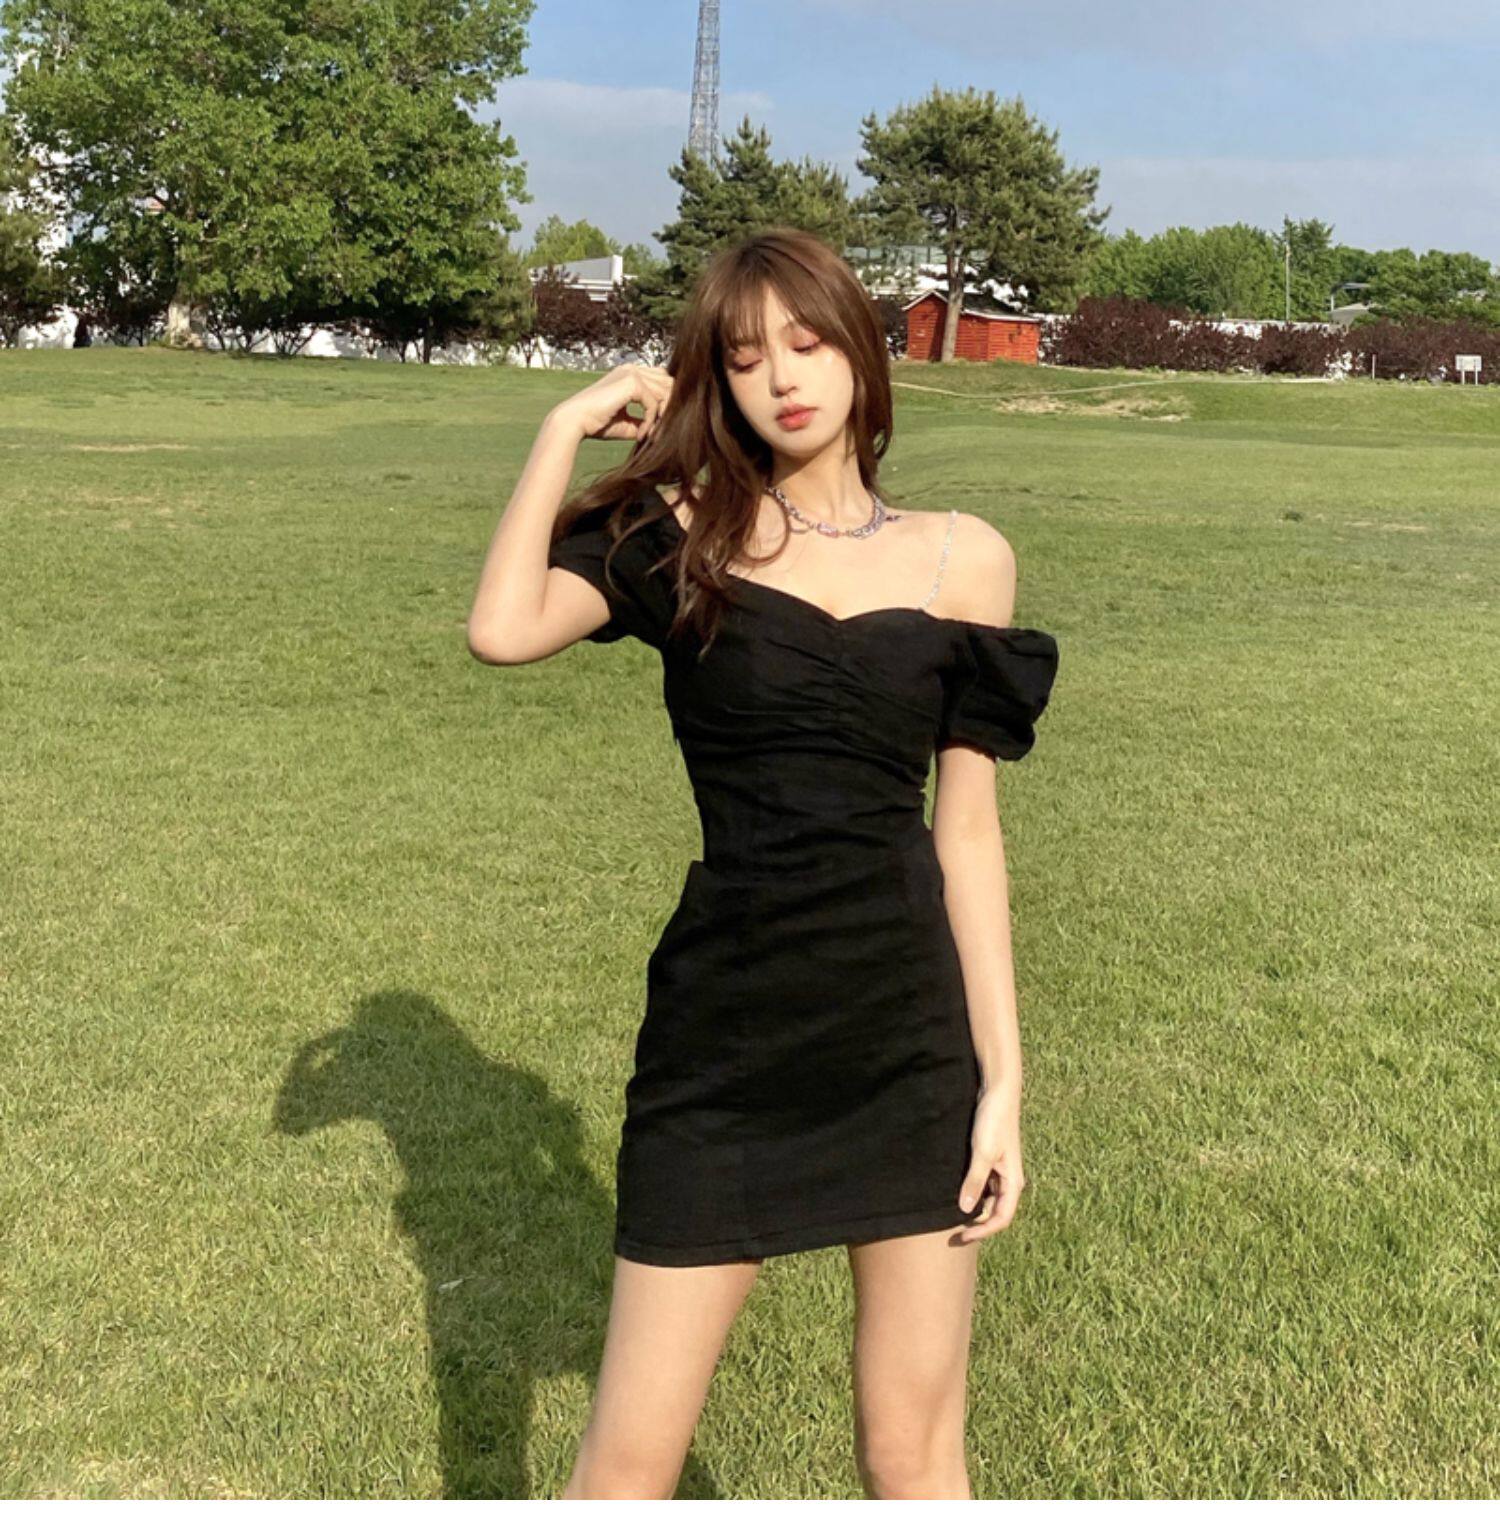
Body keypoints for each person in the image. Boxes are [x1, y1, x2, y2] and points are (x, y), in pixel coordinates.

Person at [467, 227, 1059, 1499]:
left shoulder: (968, 558)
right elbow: (503, 629)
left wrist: (1001, 1082)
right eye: (742, 359)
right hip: (724, 1044)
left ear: (861, 350)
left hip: (906, 1044)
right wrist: (562, 429)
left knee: (916, 1457)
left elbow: (966, 834)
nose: (782, 378)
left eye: (806, 342)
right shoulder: (678, 533)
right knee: (624, 1472)